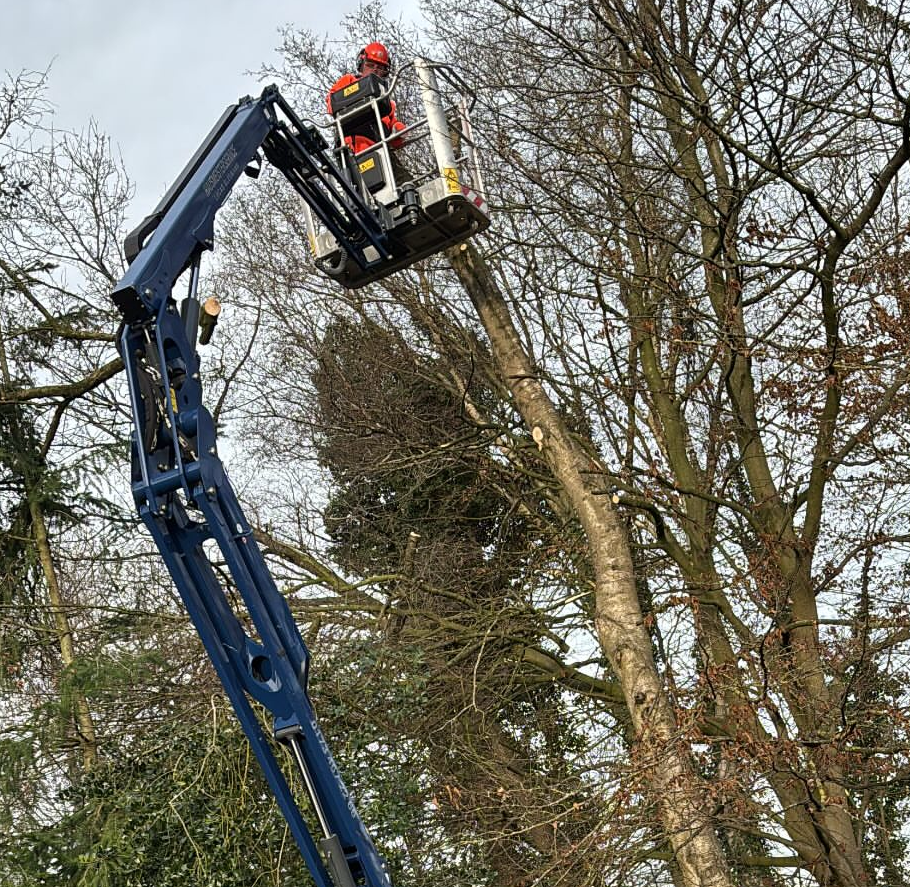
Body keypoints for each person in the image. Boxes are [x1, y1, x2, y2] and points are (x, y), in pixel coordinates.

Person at [326, 42, 406, 157]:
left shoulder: (387, 103)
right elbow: (331, 104)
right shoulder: (348, 81)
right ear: (361, 65)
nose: (375, 70)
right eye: (370, 65)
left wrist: (400, 130)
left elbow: (397, 140)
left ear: (385, 72)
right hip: (352, 149)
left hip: (380, 151)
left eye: (380, 68)